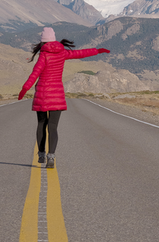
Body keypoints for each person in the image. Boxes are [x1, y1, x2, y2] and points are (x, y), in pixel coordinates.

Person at [18, 27, 110, 168]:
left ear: (43, 42)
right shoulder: (62, 53)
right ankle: (51, 157)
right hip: (57, 95)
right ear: (54, 39)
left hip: (42, 96)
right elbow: (80, 53)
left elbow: (34, 74)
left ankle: (41, 154)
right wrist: (97, 51)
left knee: (41, 125)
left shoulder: (44, 55)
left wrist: (24, 89)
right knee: (53, 127)